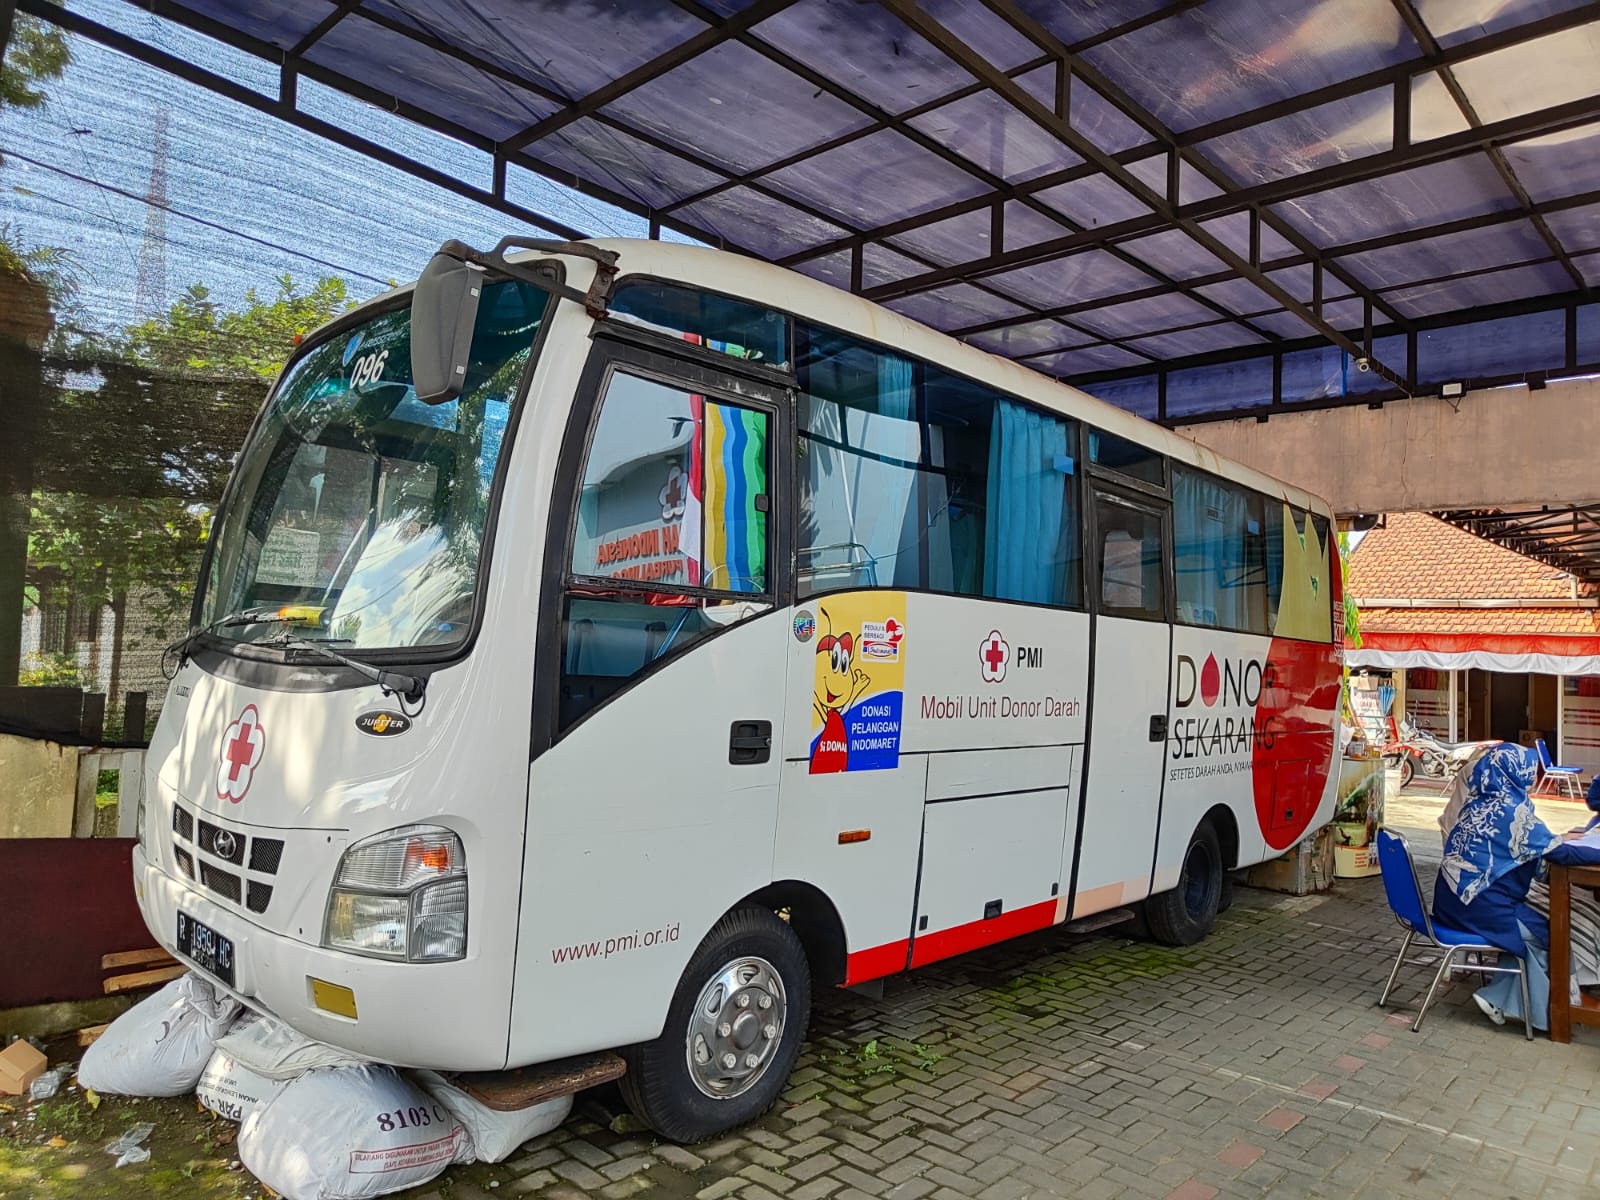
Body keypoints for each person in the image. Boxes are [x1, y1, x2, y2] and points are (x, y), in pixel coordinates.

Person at [1433, 743, 1563, 1029]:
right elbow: (1559, 853)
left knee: (1528, 923)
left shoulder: (1477, 802)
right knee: (1552, 931)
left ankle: (1506, 997)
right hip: (1477, 910)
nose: (1533, 775)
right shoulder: (1512, 813)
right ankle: (1534, 1009)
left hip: (1450, 904)